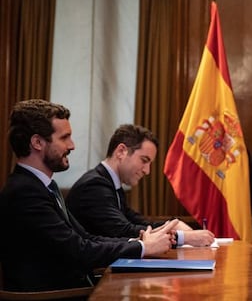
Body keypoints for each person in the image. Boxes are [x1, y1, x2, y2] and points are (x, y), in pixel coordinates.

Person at [0, 99, 178, 292]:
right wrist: (143, 247)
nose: (72, 145)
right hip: (56, 296)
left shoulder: (44, 186)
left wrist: (140, 243)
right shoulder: (24, 191)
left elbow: (85, 237)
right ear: (37, 142)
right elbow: (78, 250)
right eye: (64, 137)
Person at [66, 124, 215, 247]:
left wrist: (172, 224)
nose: (147, 171)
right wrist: (181, 237)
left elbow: (137, 221)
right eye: (144, 160)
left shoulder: (111, 183)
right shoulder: (94, 186)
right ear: (121, 151)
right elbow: (123, 231)